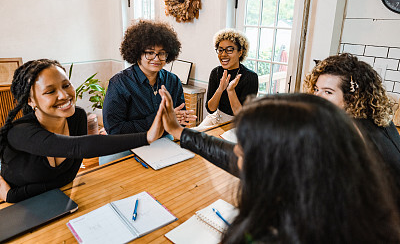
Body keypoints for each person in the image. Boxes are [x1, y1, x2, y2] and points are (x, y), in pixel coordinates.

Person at [158, 86, 400, 243]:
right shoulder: (338, 193)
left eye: (245, 147)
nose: (237, 151)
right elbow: (229, 154)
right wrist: (180, 132)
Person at [0, 59, 165, 203]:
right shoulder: (20, 132)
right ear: (31, 100)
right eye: (50, 91)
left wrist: (16, 195)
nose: (64, 95)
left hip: (54, 197)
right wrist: (147, 137)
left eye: (66, 85)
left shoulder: (76, 117)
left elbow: (68, 176)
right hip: (9, 204)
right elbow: (79, 147)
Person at [101, 19, 196, 165]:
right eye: (150, 53)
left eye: (162, 53)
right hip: (126, 146)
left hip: (162, 141)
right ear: (137, 53)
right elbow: (115, 130)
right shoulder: (119, 83)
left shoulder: (172, 81)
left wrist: (180, 119)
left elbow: (178, 118)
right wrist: (159, 119)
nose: (156, 59)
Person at [304, 53, 400, 192]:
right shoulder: (378, 117)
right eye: (316, 89)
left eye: (328, 92)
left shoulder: (350, 130)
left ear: (351, 97)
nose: (316, 96)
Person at [199, 28, 258, 127]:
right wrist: (220, 89)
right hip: (215, 117)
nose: (223, 54)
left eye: (229, 50)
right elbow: (210, 109)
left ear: (240, 52)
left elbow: (242, 116)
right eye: (220, 50)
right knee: (192, 137)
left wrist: (231, 91)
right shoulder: (216, 72)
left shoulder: (250, 77)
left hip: (236, 124)